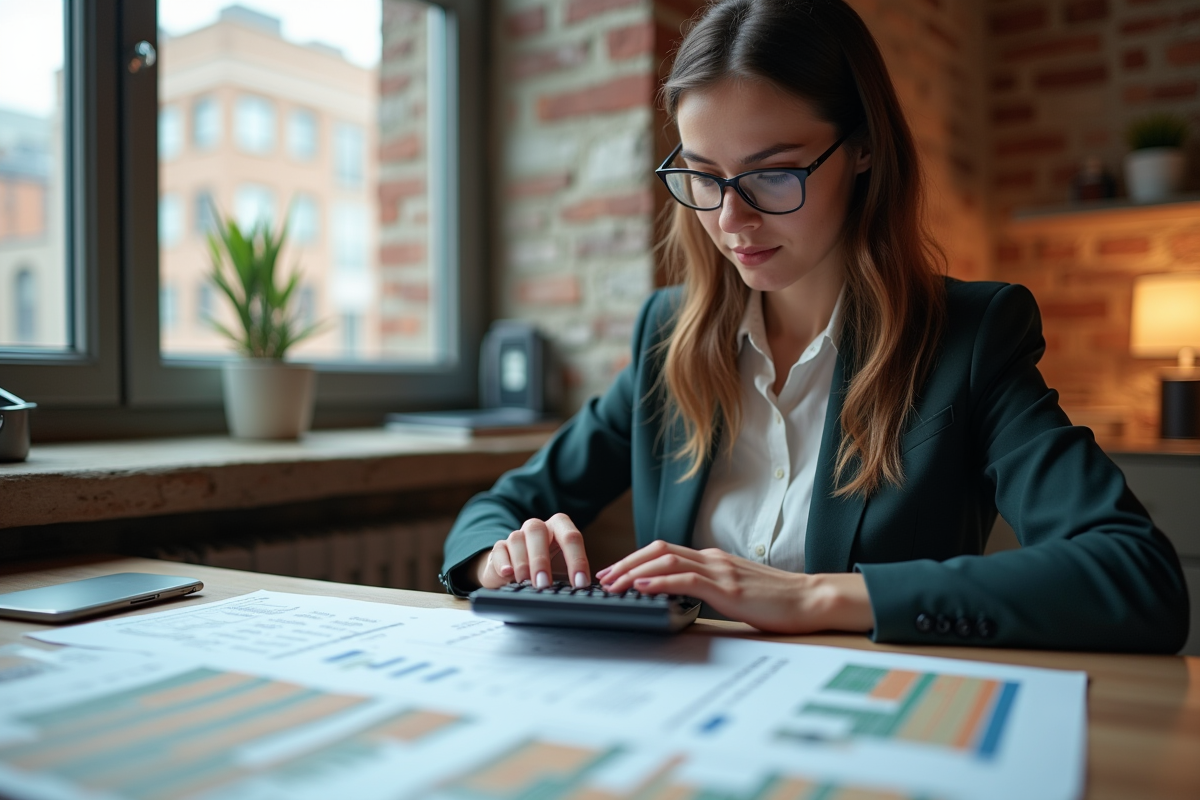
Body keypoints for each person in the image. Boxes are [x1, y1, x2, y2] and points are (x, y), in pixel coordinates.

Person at [439, 0, 1189, 652]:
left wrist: (814, 597)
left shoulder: (969, 339)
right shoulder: (668, 339)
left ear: (863, 149)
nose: (731, 220)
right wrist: (500, 561)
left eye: (773, 171)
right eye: (703, 175)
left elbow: (1135, 574)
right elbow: (490, 513)